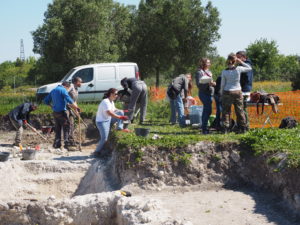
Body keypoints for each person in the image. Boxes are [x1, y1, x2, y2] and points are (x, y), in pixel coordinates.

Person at [220, 53, 252, 133]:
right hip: (238, 91)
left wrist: (221, 93)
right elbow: (249, 68)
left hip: (227, 91)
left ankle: (225, 128)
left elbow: (223, 84)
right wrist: (241, 61)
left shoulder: (224, 71)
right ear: (235, 61)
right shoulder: (239, 69)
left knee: (226, 111)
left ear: (228, 60)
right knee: (240, 110)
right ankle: (243, 128)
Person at [44, 81, 79, 150]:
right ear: (66, 86)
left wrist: (52, 106)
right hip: (62, 112)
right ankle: (67, 144)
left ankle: (57, 144)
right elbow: (69, 99)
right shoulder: (63, 90)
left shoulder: (53, 90)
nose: (67, 90)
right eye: (67, 89)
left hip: (55, 112)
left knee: (58, 128)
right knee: (67, 127)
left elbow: (46, 101)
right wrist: (76, 108)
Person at [94, 88, 128, 157]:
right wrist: (120, 117)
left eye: (117, 94)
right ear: (111, 94)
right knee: (104, 138)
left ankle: (119, 128)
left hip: (108, 120)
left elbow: (114, 110)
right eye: (116, 94)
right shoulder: (105, 101)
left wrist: (123, 111)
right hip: (101, 122)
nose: (117, 95)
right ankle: (97, 152)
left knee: (120, 112)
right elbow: (109, 112)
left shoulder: (111, 102)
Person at [195, 58, 216, 134]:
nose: (209, 64)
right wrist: (208, 83)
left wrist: (213, 83)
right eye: (208, 63)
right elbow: (199, 85)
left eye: (209, 62)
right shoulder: (199, 72)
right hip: (204, 93)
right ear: (203, 63)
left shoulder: (209, 72)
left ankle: (204, 127)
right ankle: (204, 128)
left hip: (210, 93)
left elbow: (211, 81)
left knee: (207, 110)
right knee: (207, 110)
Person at [236, 51, 254, 130]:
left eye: (239, 57)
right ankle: (243, 125)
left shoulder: (247, 65)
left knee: (243, 108)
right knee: (242, 108)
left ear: (244, 57)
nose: (237, 59)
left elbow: (245, 78)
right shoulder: (242, 65)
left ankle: (246, 126)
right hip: (244, 88)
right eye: (236, 57)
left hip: (245, 89)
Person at [68, 77, 83, 146]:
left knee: (72, 124)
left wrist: (76, 109)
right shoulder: (71, 86)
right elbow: (65, 95)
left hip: (72, 107)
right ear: (76, 82)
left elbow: (74, 101)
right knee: (70, 124)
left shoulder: (76, 89)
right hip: (67, 108)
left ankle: (71, 139)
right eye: (80, 82)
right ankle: (70, 141)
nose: (81, 83)